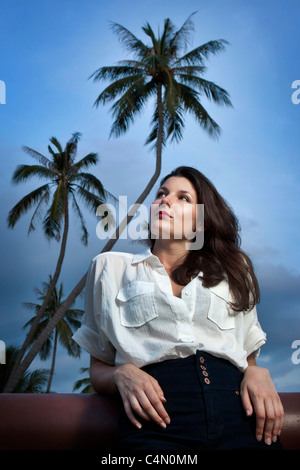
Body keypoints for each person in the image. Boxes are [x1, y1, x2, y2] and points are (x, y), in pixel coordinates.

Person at [72, 166, 284, 451]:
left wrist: (257, 372)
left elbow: (246, 356)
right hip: (155, 423)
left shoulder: (234, 271)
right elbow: (98, 368)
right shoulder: (109, 268)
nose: (166, 200)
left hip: (243, 420)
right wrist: (120, 374)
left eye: (183, 198)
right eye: (162, 194)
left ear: (202, 222)